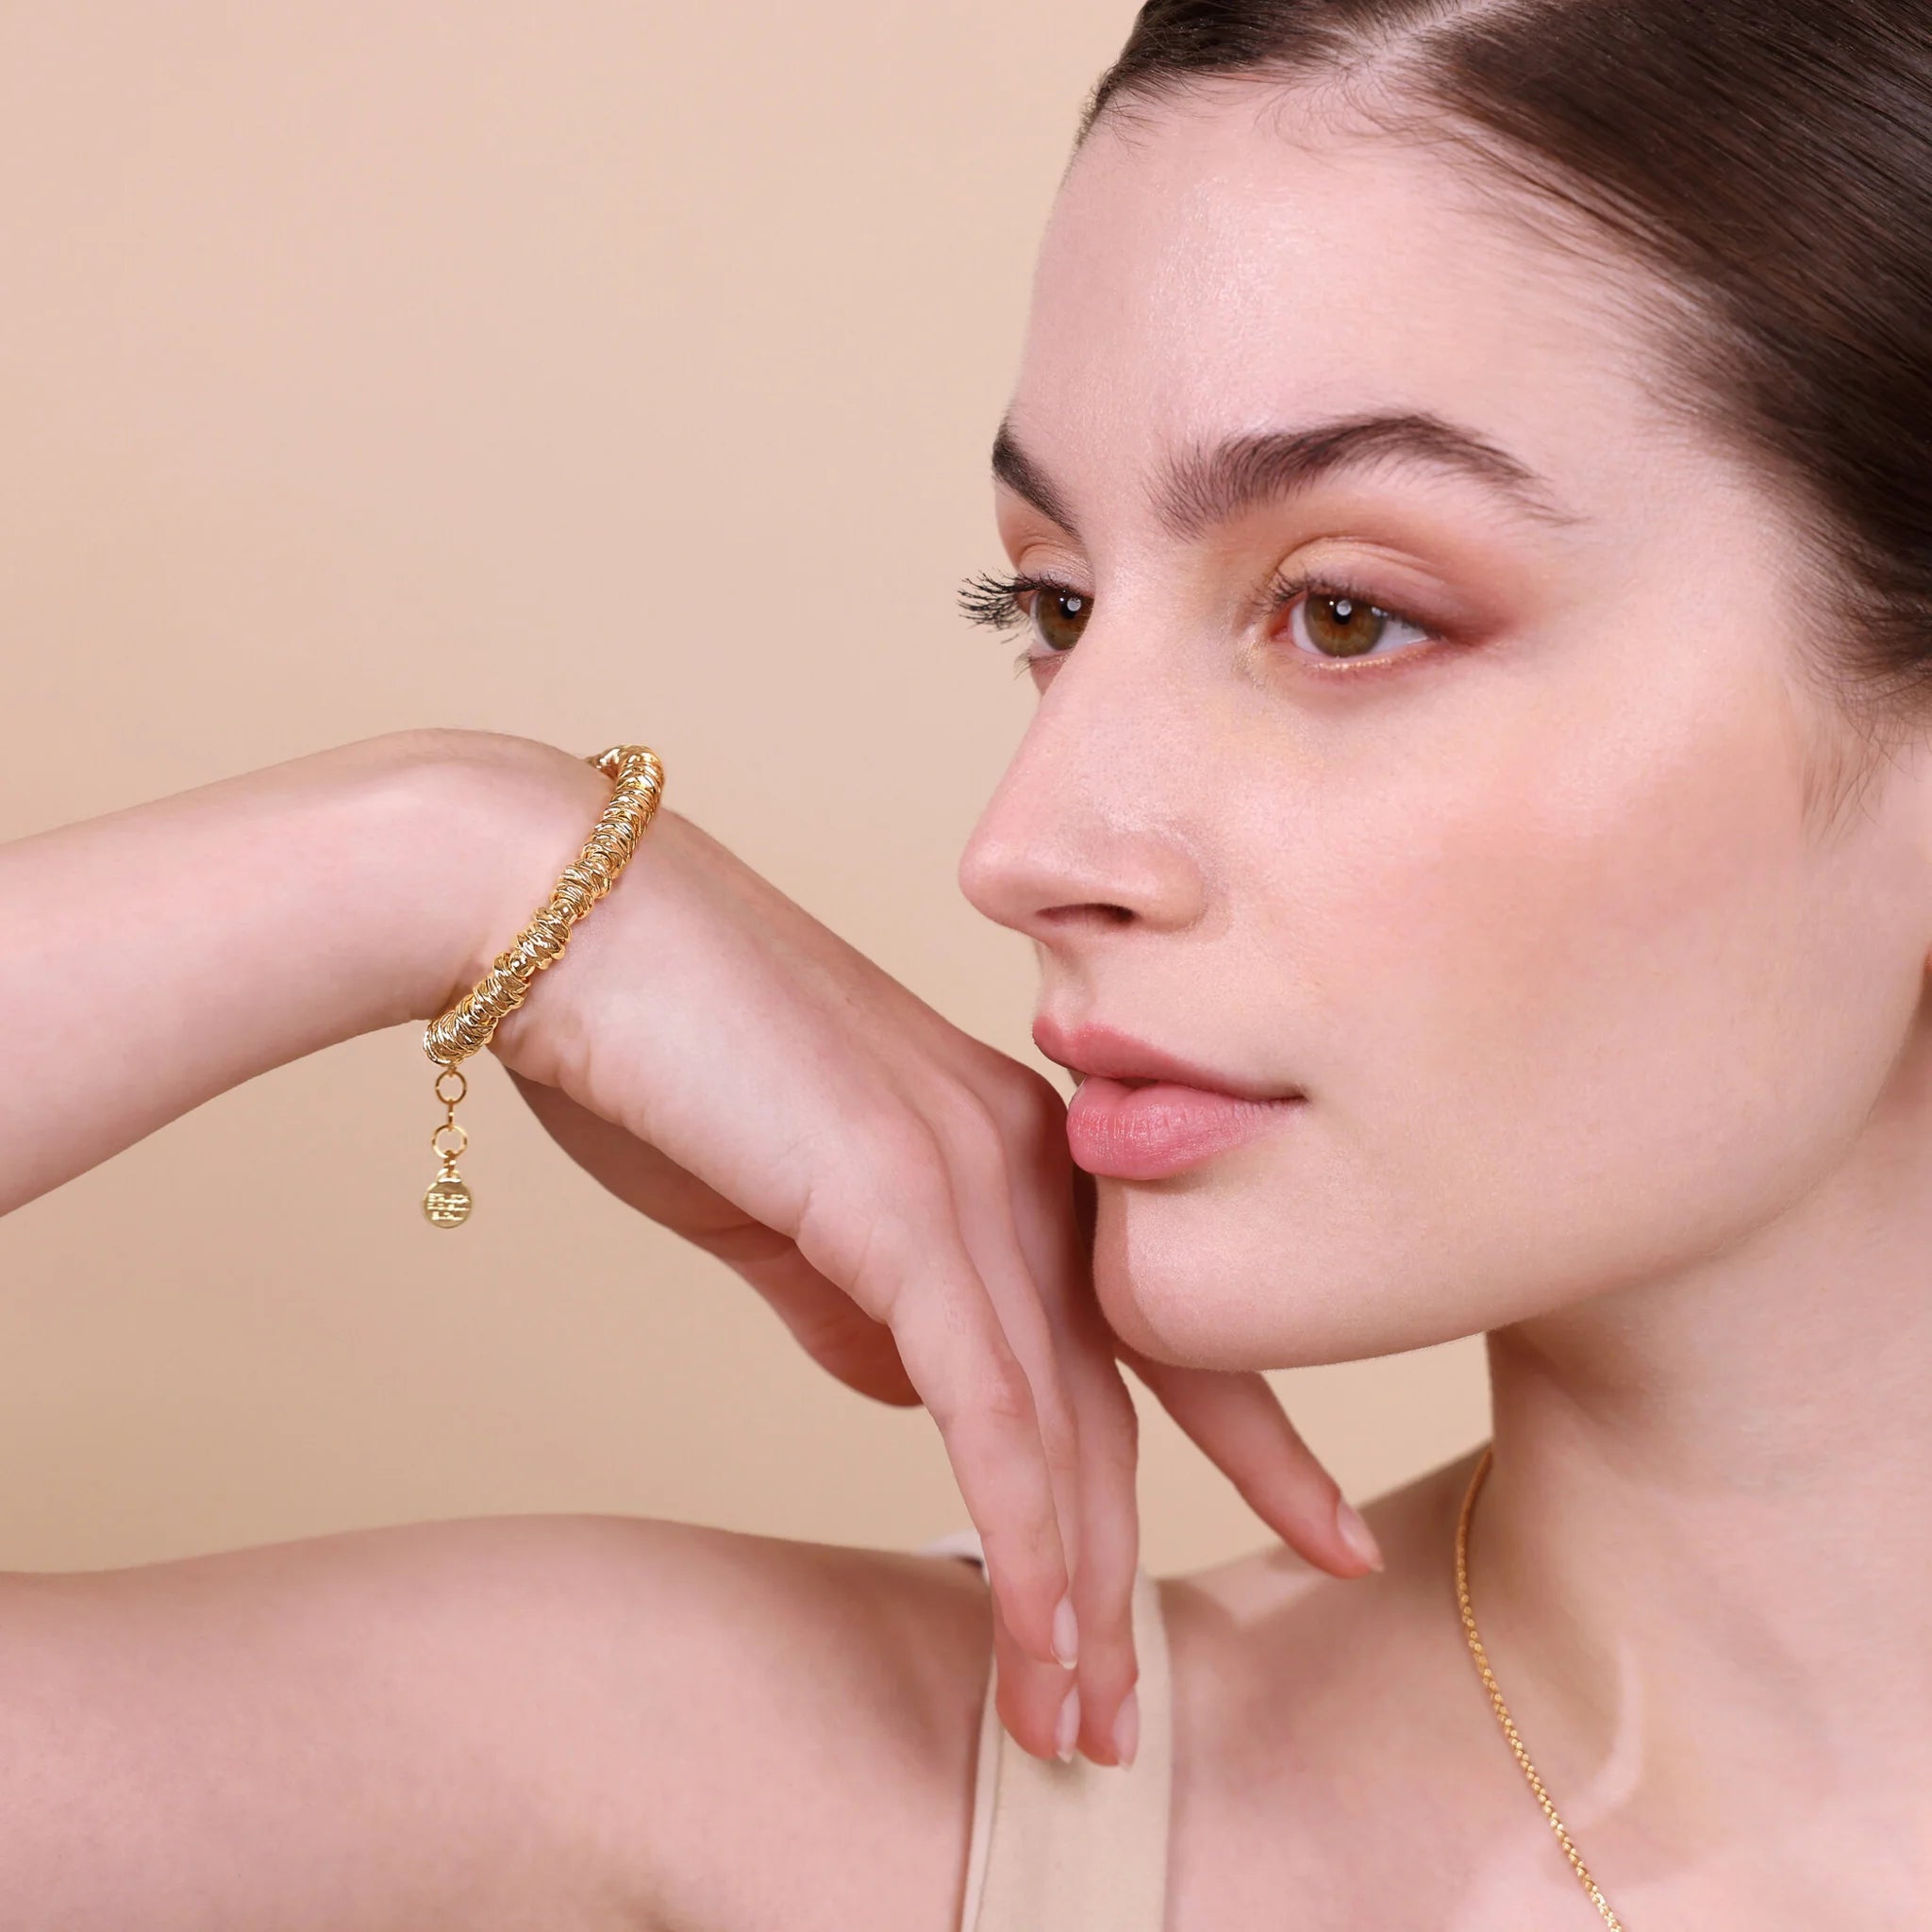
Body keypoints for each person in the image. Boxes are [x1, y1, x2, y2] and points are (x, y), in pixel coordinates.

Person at [5, 0, 1929, 1923]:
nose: (1026, 848)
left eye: (1345, 613)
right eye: (1056, 605)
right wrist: (431, 861)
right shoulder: (806, 1795)